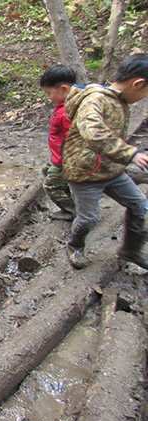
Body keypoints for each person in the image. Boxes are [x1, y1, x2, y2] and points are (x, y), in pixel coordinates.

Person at [62, 52, 148, 270]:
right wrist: (131, 154)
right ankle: (75, 245)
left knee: (139, 204)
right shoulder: (95, 100)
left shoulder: (118, 101)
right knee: (88, 218)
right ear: (137, 84)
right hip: (85, 173)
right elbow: (94, 133)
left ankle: (131, 249)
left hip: (111, 170)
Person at [40, 64, 77, 221]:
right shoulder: (63, 106)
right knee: (45, 170)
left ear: (63, 89)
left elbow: (74, 138)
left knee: (50, 186)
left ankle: (72, 210)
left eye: (49, 93)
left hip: (64, 159)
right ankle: (69, 191)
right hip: (58, 157)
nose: (49, 98)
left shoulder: (67, 112)